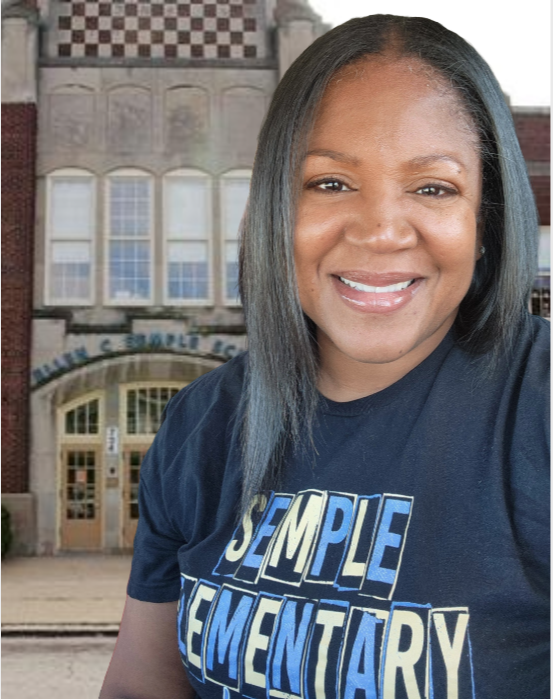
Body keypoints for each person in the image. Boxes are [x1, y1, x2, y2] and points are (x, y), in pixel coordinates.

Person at [100, 14, 549, 699]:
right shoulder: (204, 424)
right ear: (275, 206)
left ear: (484, 221)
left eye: (433, 187)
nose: (379, 232)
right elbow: (142, 684)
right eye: (329, 183)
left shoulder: (536, 408)